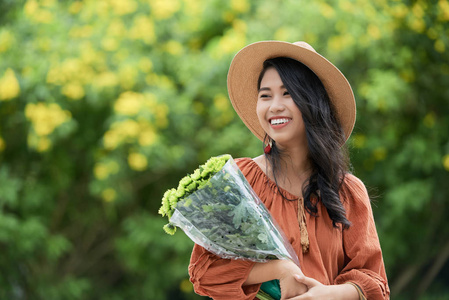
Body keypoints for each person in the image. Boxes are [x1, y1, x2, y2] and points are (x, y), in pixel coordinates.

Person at [188, 41, 390, 300]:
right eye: (265, 95)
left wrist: (326, 295)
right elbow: (204, 271)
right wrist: (279, 269)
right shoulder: (238, 181)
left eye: (288, 93)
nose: (275, 106)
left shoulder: (348, 191)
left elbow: (375, 282)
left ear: (315, 103)